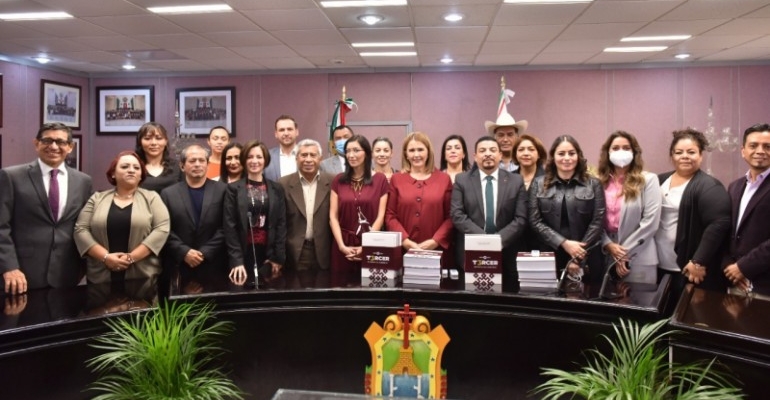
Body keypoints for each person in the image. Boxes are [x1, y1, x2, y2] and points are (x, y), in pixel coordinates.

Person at [0, 122, 93, 294]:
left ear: (70, 147)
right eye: (47, 140)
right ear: (36, 143)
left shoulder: (83, 181)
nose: (54, 146)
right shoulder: (11, 177)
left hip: (67, 273)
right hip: (21, 275)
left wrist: (84, 266)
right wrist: (9, 267)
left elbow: (85, 226)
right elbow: (1, 226)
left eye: (61, 142)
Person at [74, 151, 170, 284]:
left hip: (143, 277)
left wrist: (131, 258)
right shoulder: (97, 198)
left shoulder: (152, 198)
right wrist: (106, 257)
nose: (131, 170)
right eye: (125, 167)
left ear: (141, 175)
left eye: (136, 168)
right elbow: (81, 229)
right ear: (113, 173)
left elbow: (161, 229)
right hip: (100, 277)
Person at [654, 128, 730, 292]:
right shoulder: (659, 180)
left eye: (691, 152)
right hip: (658, 264)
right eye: (679, 152)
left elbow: (719, 224)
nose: (685, 156)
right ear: (672, 156)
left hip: (688, 267)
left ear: (701, 155)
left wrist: (698, 261)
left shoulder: (710, 186)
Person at [451, 136, 528, 292]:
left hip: (506, 252)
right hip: (471, 252)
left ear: (500, 155)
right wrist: (485, 241)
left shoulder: (516, 181)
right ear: (475, 156)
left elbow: (520, 218)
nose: (487, 154)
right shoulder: (462, 180)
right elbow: (457, 215)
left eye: (492, 150)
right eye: (482, 150)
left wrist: (498, 241)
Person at [529, 135, 605, 282]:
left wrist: (577, 255)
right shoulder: (538, 183)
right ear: (553, 157)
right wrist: (564, 243)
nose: (567, 158)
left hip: (587, 255)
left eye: (571, 153)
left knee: (589, 295)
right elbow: (535, 221)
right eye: (561, 153)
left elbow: (598, 221)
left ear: (578, 156)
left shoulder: (594, 184)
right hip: (551, 255)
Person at [597, 131, 661, 283]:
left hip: (639, 254)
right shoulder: (598, 182)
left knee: (638, 297)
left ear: (634, 152)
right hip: (606, 253)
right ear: (607, 152)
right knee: (605, 296)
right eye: (615, 148)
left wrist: (622, 253)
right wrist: (608, 245)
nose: (621, 151)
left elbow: (651, 222)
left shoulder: (648, 180)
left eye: (626, 148)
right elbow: (594, 219)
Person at [160, 144, 227, 282]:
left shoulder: (223, 190)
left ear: (208, 165)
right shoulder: (168, 194)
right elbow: (164, 229)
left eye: (201, 160)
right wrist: (184, 252)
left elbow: (226, 227)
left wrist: (205, 252)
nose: (197, 164)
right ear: (182, 166)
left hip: (214, 265)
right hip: (179, 265)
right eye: (192, 161)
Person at [386, 132, 454, 267]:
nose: (416, 154)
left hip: (437, 251)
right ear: (406, 154)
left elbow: (451, 216)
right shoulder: (396, 179)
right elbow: (390, 216)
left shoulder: (444, 179)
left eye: (420, 149)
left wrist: (435, 240)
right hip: (403, 250)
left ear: (428, 152)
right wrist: (405, 241)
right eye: (411, 150)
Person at [224, 140, 287, 285]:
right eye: (250, 157)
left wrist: (277, 257)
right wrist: (237, 261)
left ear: (265, 160)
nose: (254, 161)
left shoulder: (277, 189)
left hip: (269, 255)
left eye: (259, 157)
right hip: (242, 254)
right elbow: (229, 227)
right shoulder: (233, 189)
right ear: (244, 160)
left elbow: (281, 224)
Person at [330, 135, 389, 287]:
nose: (351, 155)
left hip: (372, 243)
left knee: (371, 288)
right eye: (348, 151)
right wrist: (342, 246)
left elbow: (380, 217)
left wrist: (367, 246)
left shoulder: (380, 179)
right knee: (341, 289)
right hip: (343, 244)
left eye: (356, 150)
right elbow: (333, 216)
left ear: (367, 153)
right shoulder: (338, 180)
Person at [279, 139, 334, 288]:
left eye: (312, 155)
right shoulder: (283, 184)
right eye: (303, 155)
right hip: (295, 252)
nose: (308, 159)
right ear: (296, 158)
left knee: (323, 295)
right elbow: (279, 222)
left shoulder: (333, 181)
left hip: (324, 251)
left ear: (320, 158)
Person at [723, 123, 770, 297]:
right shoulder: (734, 187)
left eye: (767, 146)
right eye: (753, 145)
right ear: (743, 151)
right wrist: (729, 266)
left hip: (765, 286)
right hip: (734, 280)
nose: (760, 151)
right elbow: (726, 230)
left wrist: (744, 267)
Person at [135, 122, 180, 193]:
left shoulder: (178, 166)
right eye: (147, 138)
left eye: (159, 138)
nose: (153, 143)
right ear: (140, 142)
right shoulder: (134, 167)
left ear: (166, 141)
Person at [264, 115, 299, 182]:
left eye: (289, 129)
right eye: (282, 130)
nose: (286, 133)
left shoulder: (308, 156)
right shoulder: (266, 156)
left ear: (296, 132)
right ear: (276, 134)